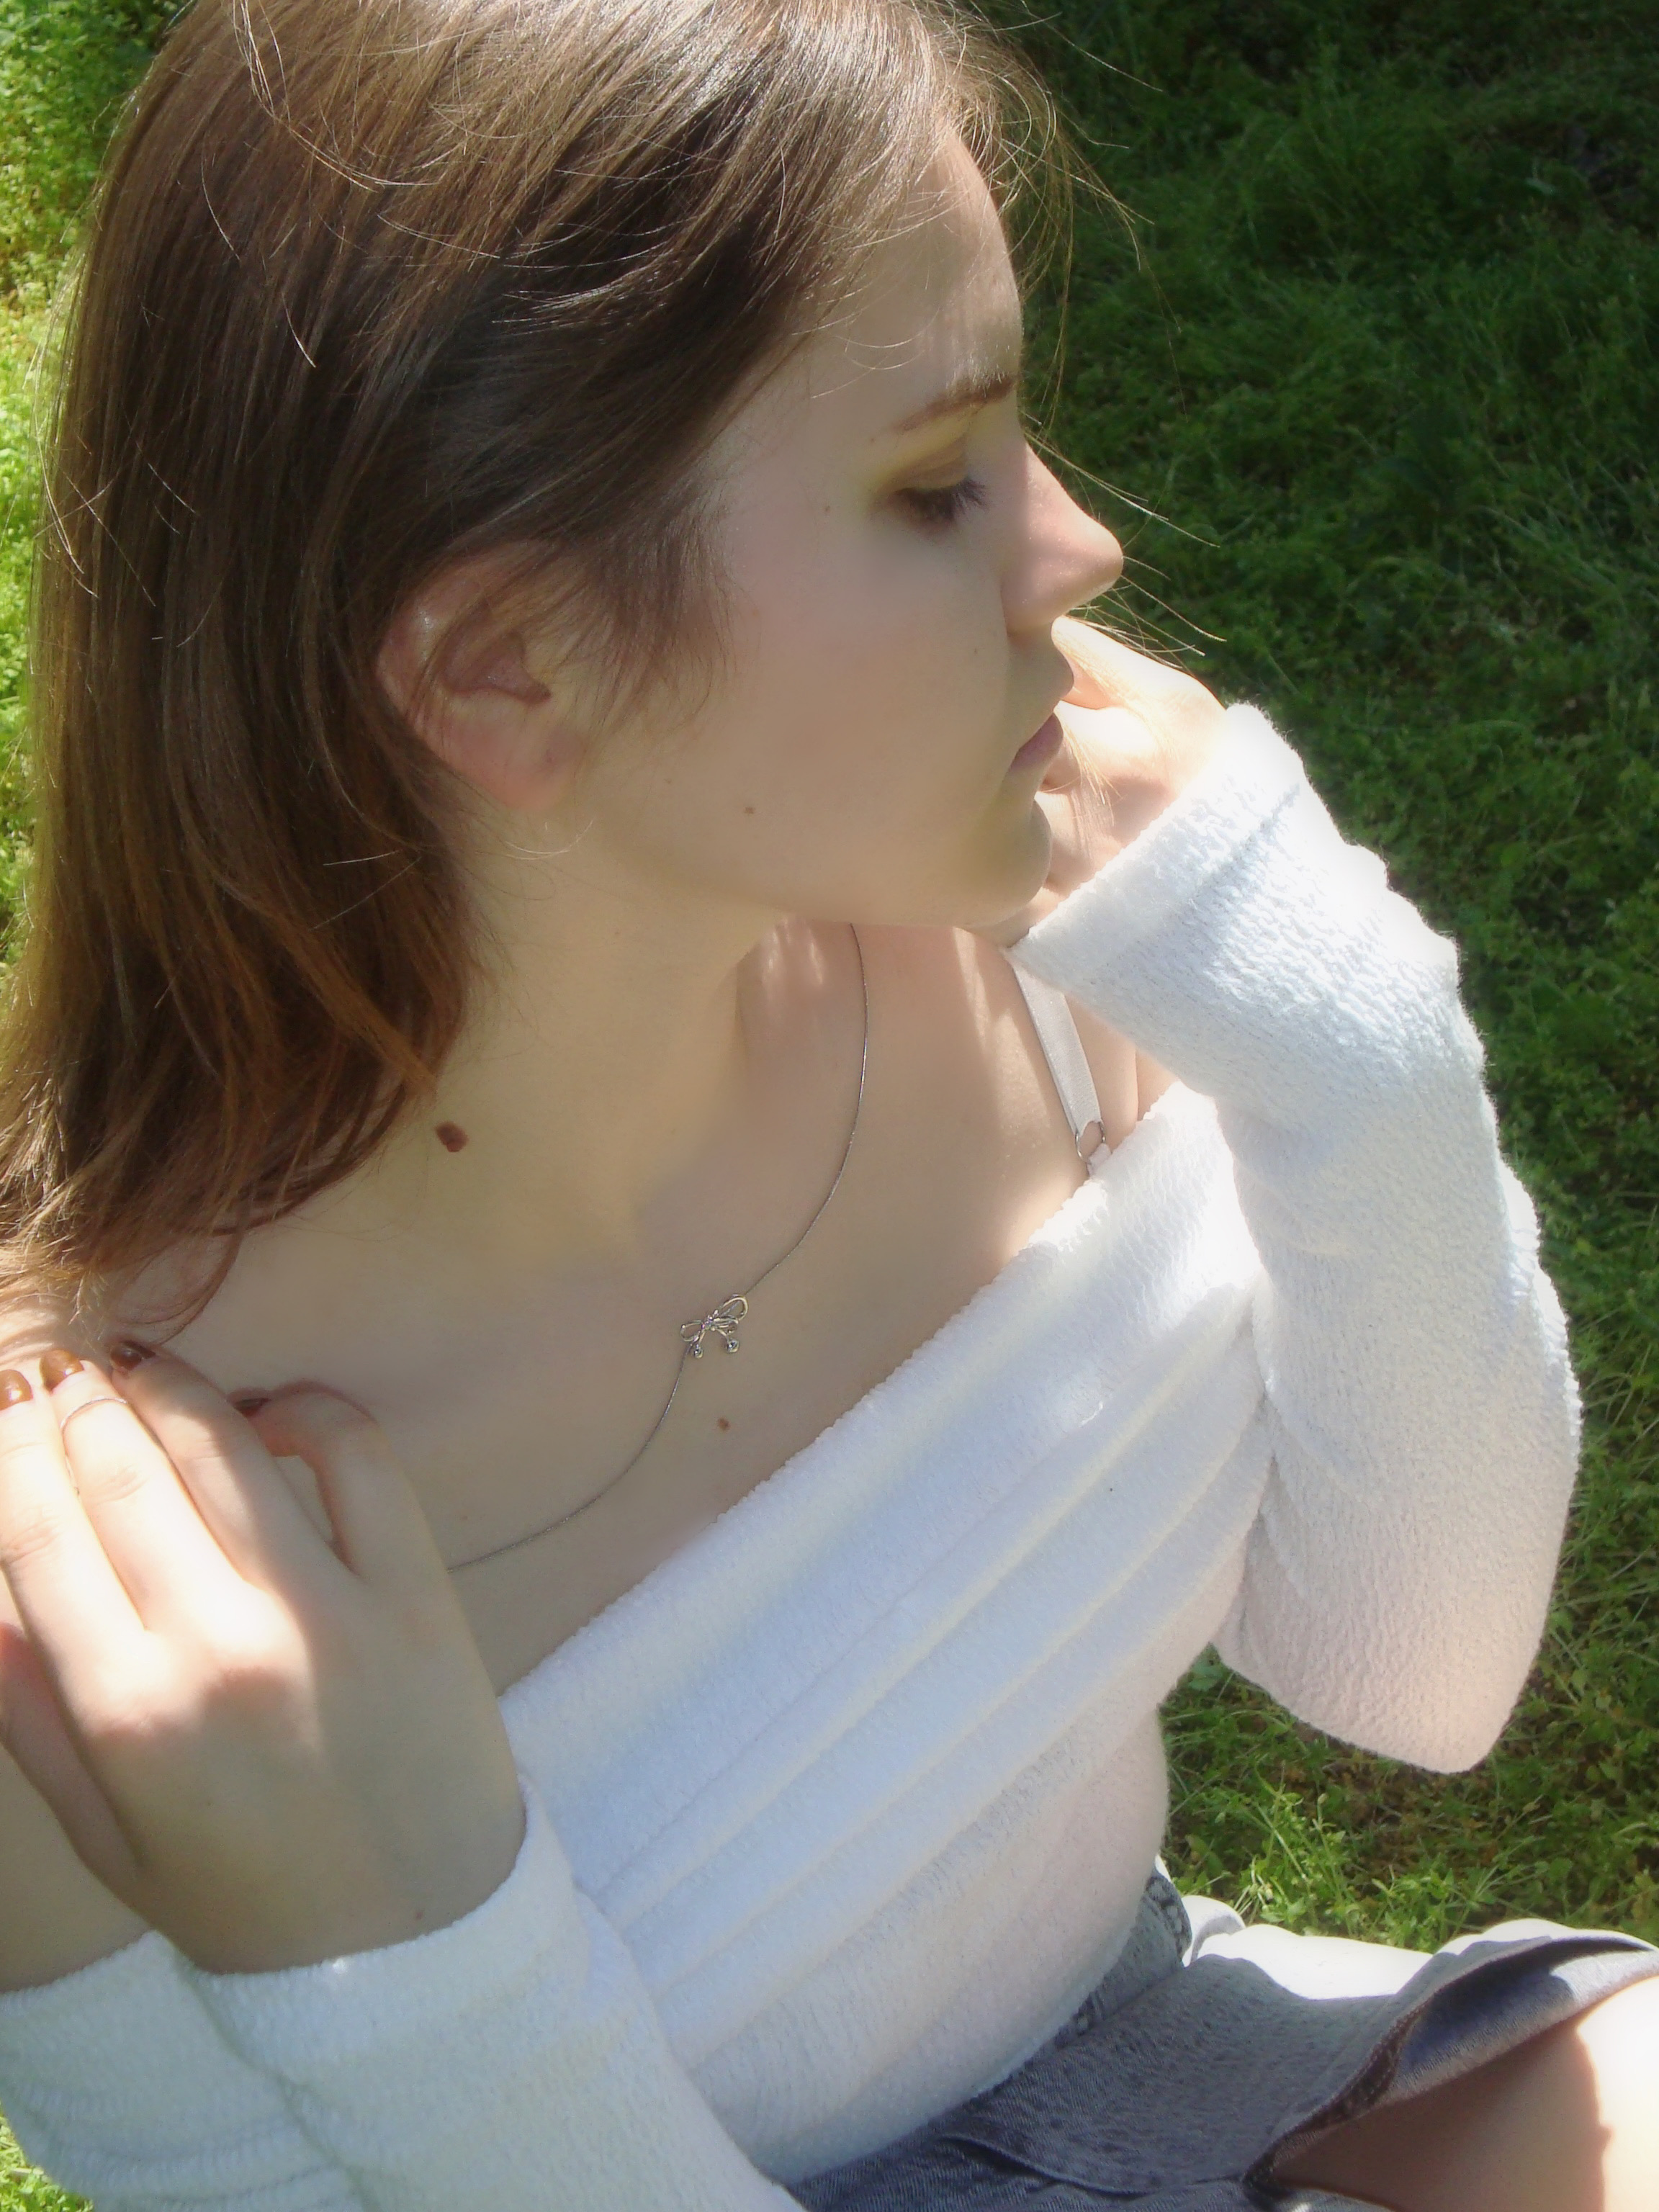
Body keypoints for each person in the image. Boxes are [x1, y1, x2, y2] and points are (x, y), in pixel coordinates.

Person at [0, 0, 1653, 2206]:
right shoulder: (94, 1542)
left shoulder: (1043, 927)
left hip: (1153, 2049)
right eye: (935, 483)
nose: (1075, 551)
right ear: (507, 666)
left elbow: (1418, 1666)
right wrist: (413, 1971)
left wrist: (1353, 1050)